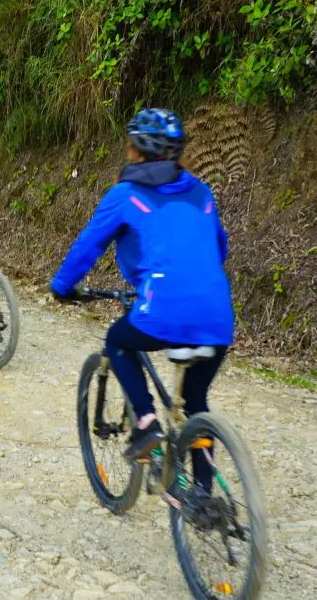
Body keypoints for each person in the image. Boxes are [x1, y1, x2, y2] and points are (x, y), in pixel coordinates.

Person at [50, 108, 234, 468]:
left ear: (137, 149)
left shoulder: (126, 194)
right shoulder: (201, 192)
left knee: (118, 341)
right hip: (217, 314)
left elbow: (88, 246)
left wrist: (61, 287)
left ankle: (147, 423)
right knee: (195, 402)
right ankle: (204, 499)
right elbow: (219, 246)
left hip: (164, 307)